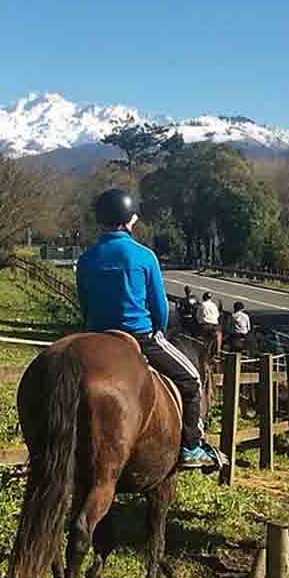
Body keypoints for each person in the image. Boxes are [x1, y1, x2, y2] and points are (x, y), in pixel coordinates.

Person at [75, 190, 218, 469]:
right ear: (130, 220)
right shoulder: (144, 255)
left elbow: (85, 304)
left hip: (94, 336)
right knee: (191, 380)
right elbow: (160, 307)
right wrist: (159, 331)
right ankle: (191, 447)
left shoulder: (87, 258)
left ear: (100, 220)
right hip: (140, 336)